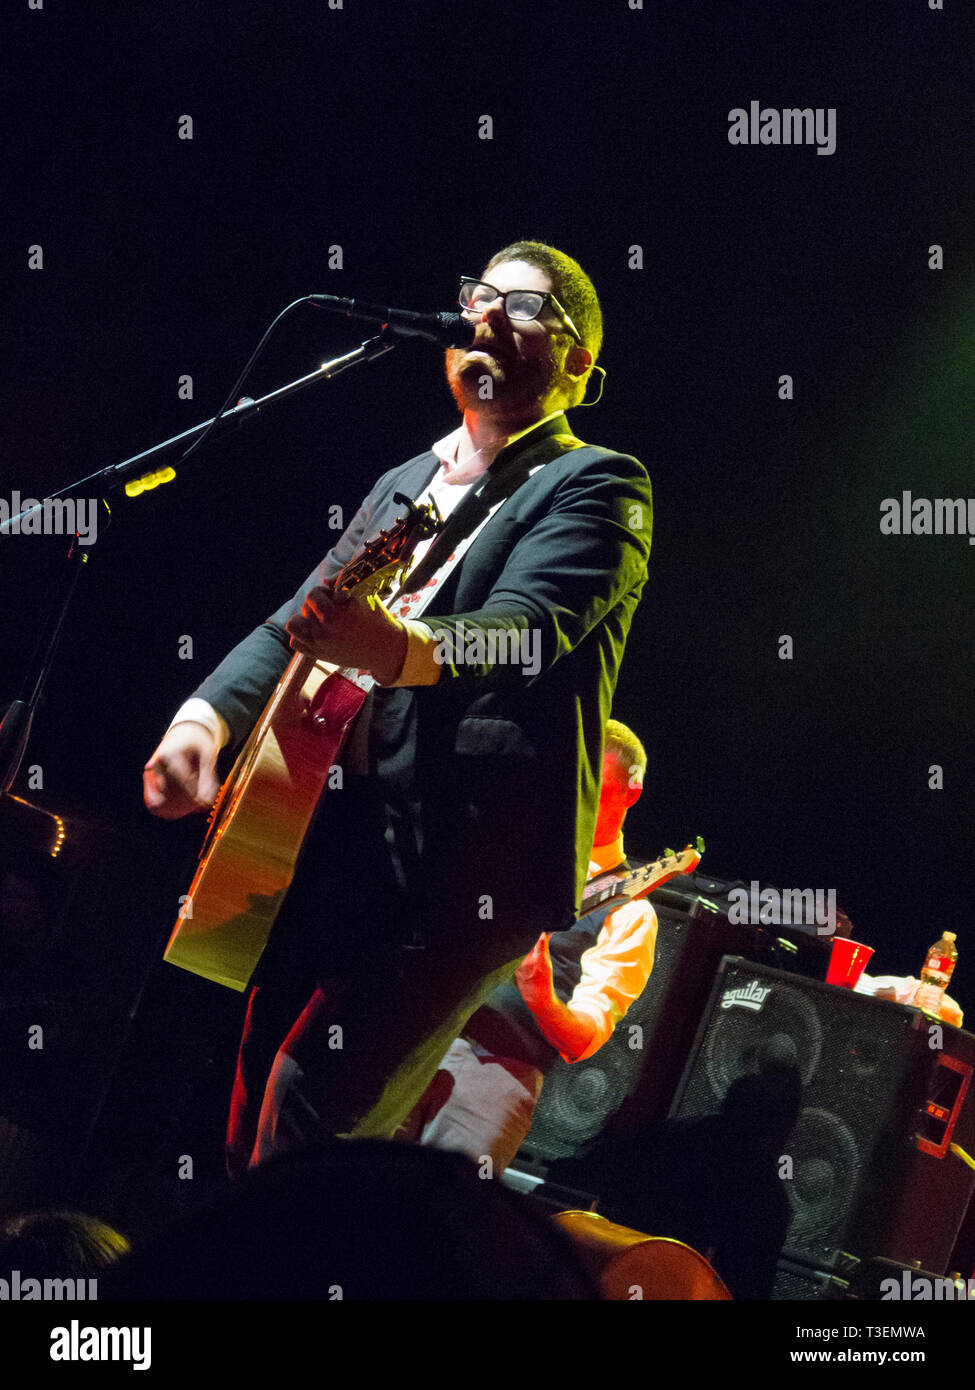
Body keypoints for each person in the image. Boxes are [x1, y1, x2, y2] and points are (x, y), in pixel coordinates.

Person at [143, 241, 653, 1170]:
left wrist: (393, 648)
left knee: (312, 1115)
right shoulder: (406, 483)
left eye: (525, 306)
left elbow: (525, 631)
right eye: (478, 295)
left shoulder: (596, 483)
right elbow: (296, 624)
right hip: (336, 837)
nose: (487, 314)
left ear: (579, 364)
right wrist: (202, 719)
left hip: (462, 865)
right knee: (249, 1086)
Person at [399, 719, 655, 1174]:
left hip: (494, 1074)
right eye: (571, 777)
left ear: (631, 792)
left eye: (596, 782)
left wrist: (541, 995)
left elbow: (584, 1038)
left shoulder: (629, 911)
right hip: (412, 1033)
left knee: (435, 1227)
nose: (575, 794)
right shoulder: (505, 846)